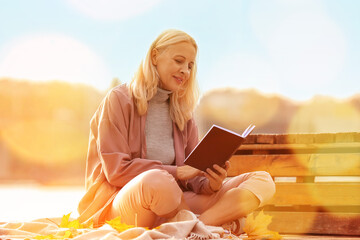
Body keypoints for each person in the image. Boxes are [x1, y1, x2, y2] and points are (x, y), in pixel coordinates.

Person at [77, 29, 275, 235]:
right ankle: (204, 225)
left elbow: (192, 176)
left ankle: (198, 226)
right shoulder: (118, 100)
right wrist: (176, 172)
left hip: (175, 203)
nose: (185, 71)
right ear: (155, 56)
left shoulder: (183, 111)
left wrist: (210, 183)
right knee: (158, 180)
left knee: (262, 180)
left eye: (190, 65)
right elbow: (116, 171)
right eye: (179, 61)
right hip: (122, 203)